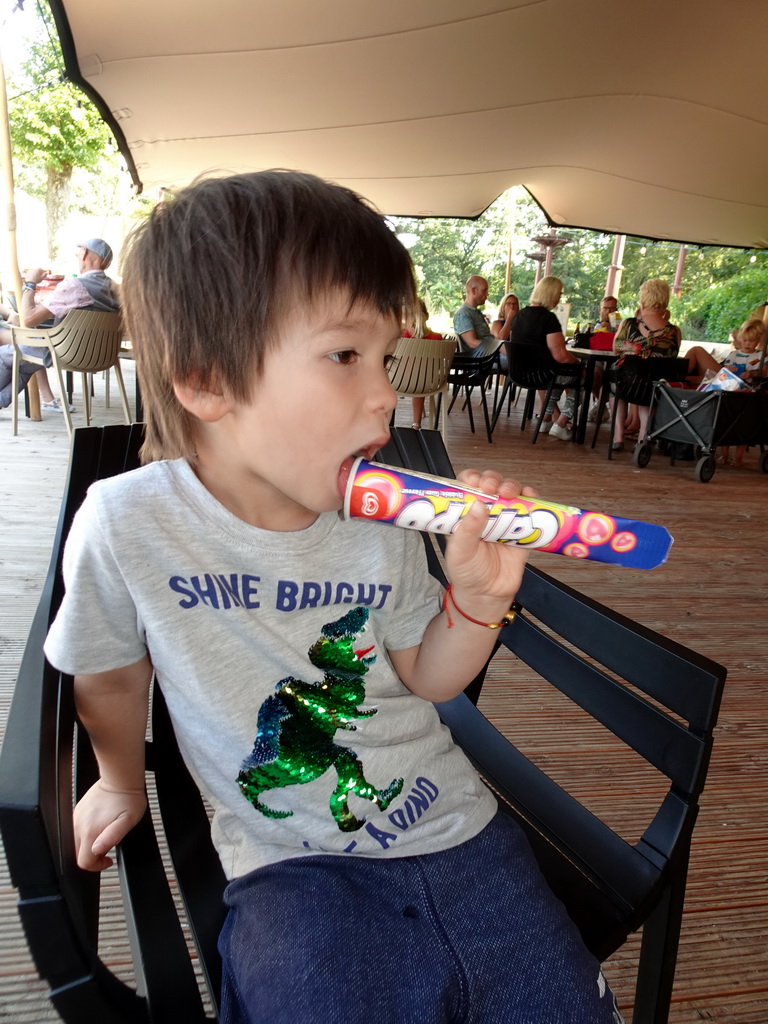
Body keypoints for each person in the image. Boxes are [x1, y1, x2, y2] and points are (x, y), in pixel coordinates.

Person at [44, 171, 622, 1024]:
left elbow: (429, 679)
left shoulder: (375, 523)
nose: (386, 391)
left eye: (386, 358)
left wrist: (474, 600)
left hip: (459, 830)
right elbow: (110, 676)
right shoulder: (130, 524)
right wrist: (121, 782)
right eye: (345, 355)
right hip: (290, 866)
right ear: (207, 381)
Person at [0, 239, 120, 413]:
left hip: (64, 352)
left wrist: (30, 283)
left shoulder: (75, 286)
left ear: (85, 253)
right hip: (102, 356)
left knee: (4, 355)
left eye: (78, 252)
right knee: (24, 367)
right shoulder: (117, 290)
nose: (77, 256)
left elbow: (28, 318)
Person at [610, 278, 720, 451]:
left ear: (643, 300)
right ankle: (642, 439)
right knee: (647, 389)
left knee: (616, 385)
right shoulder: (674, 332)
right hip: (658, 389)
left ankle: (617, 437)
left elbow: (616, 350)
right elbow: (671, 357)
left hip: (627, 386)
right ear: (665, 302)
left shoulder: (627, 324)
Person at [509, 275, 582, 440]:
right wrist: (577, 362)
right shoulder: (548, 319)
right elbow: (560, 355)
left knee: (560, 378)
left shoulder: (519, 316)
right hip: (544, 376)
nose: (559, 297)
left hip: (520, 373)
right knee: (584, 378)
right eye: (559, 293)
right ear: (552, 295)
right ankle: (561, 423)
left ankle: (545, 418)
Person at [718, 317, 767, 467]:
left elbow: (765, 372)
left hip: (750, 394)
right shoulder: (733, 355)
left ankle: (738, 458)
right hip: (731, 391)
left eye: (751, 341)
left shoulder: (761, 356)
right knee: (724, 421)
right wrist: (728, 369)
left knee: (744, 424)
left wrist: (752, 374)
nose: (747, 344)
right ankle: (724, 455)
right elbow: (724, 371)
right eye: (745, 340)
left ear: (758, 340)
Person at [401, 296, 444, 429]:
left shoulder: (402, 337)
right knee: (420, 378)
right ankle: (416, 423)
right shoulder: (437, 338)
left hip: (400, 380)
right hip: (427, 381)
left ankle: (384, 423)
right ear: (427, 316)